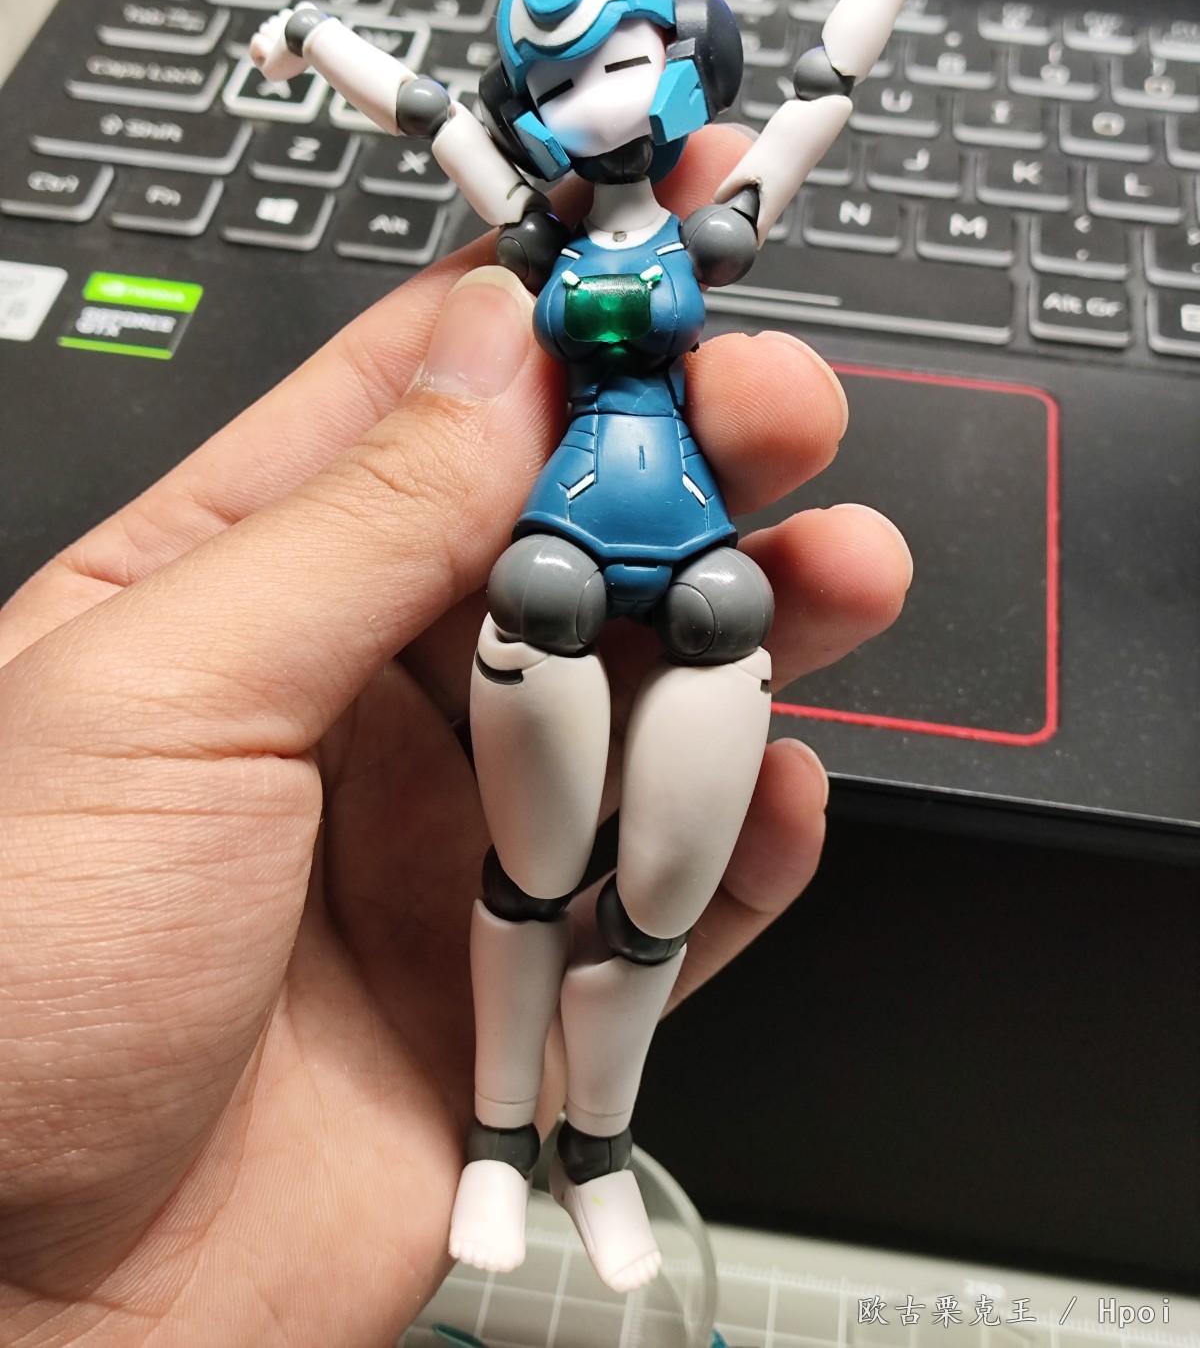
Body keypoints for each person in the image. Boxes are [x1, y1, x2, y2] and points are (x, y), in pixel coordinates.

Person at [0, 126, 912, 1345]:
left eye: (624, 55)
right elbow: (438, 124)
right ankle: (497, 1136)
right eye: (564, 67)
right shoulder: (542, 229)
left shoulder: (702, 232)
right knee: (528, 883)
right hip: (559, 540)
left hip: (695, 546)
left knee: (656, 914)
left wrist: (877, 6)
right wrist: (318, 47)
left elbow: (805, 119)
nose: (600, 93)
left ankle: (596, 1148)